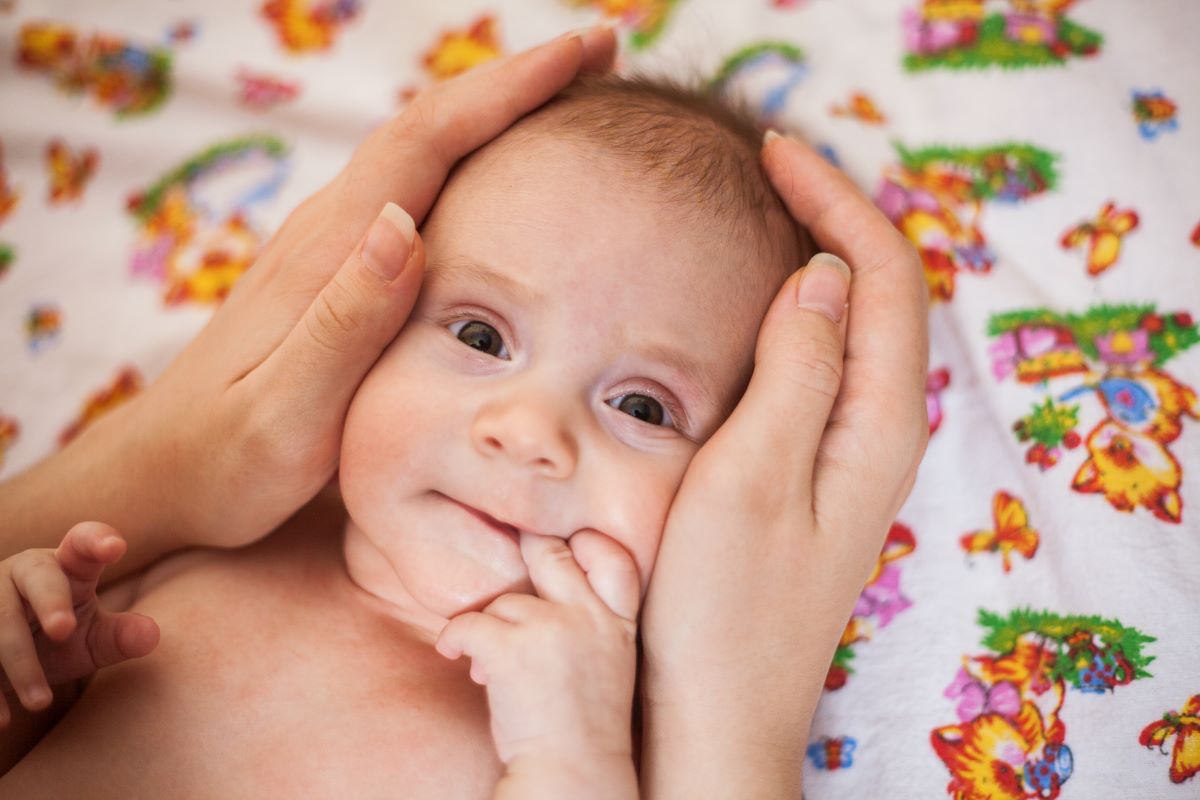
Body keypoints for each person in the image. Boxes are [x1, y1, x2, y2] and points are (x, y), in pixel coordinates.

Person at [0, 26, 928, 798]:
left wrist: (572, 757)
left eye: (643, 405)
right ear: (365, 329)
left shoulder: (612, 730)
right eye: (482, 339)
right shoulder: (184, 561)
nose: (528, 434)